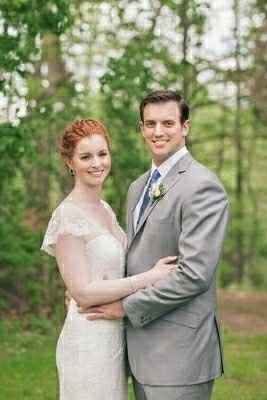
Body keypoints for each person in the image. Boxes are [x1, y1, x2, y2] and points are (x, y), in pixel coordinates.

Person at [82, 91, 229, 400]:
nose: (158, 132)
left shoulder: (202, 185)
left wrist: (125, 307)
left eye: (167, 123)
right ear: (141, 128)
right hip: (140, 352)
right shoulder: (138, 187)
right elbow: (134, 256)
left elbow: (194, 274)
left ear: (185, 127)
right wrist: (88, 286)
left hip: (180, 355)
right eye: (150, 124)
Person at [41, 119, 177, 400]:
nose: (97, 163)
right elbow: (81, 293)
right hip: (88, 339)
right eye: (86, 156)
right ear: (70, 162)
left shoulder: (104, 209)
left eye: (102, 154)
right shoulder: (67, 216)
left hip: (114, 337)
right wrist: (149, 278)